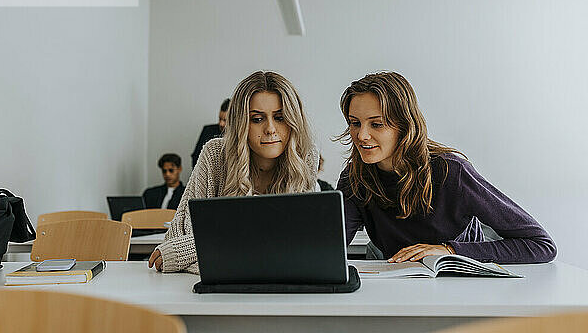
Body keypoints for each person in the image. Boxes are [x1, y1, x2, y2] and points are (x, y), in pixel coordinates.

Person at [336, 72, 556, 264]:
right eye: (355, 123)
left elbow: (541, 245)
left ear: (404, 126)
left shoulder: (452, 171)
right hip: (401, 286)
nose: (362, 135)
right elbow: (330, 246)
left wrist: (449, 250)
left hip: (464, 287)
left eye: (376, 124)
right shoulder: (355, 178)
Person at [149, 71, 319, 273]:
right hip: (213, 293)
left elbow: (299, 246)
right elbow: (176, 240)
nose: (270, 129)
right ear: (241, 124)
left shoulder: (305, 156)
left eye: (280, 117)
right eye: (257, 119)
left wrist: (209, 247)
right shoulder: (215, 154)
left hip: (281, 292)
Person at [191, 98, 230, 168]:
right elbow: (196, 156)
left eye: (225, 120)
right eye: (220, 119)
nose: (221, 124)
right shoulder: (208, 130)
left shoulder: (239, 135)